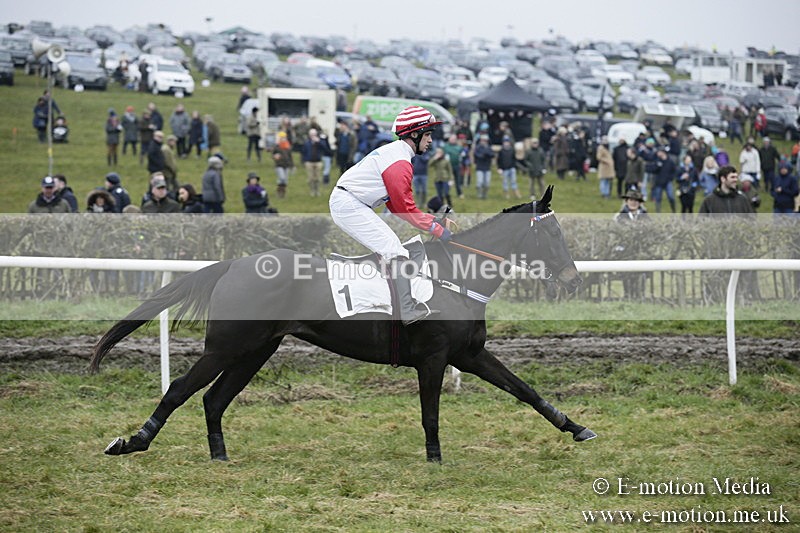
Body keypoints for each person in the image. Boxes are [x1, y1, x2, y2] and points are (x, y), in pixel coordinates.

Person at [329, 106, 452, 326]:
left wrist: (432, 222)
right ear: (414, 134)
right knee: (395, 251)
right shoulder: (399, 163)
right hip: (349, 205)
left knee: (396, 249)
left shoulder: (397, 155)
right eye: (428, 135)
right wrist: (436, 228)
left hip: (352, 202)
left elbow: (397, 207)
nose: (431, 141)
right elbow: (404, 208)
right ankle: (406, 312)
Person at [651, 148, 677, 213]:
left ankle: (673, 210)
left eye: (659, 152)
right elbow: (653, 170)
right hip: (658, 182)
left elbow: (674, 171)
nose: (657, 153)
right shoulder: (657, 161)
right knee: (658, 198)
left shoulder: (670, 161)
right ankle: (658, 212)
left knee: (671, 197)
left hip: (668, 182)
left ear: (663, 152)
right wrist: (657, 166)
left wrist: (671, 178)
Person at [301, 128, 325, 197]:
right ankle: (312, 191)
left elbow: (325, 148)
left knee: (317, 178)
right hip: (309, 162)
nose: (313, 136)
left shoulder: (320, 142)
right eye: (311, 135)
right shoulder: (307, 143)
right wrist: (304, 160)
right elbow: (303, 152)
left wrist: (318, 142)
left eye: (314, 134)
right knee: (310, 178)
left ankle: (317, 191)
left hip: (318, 162)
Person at [272, 131, 294, 198]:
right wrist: (275, 156)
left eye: (284, 137)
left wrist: (292, 165)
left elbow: (290, 156)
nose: (283, 139)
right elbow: (273, 154)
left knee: (285, 180)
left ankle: (283, 193)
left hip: (286, 165)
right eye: (281, 138)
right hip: (279, 165)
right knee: (282, 178)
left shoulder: (288, 146)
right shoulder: (277, 147)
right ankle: (279, 191)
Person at [473, 133, 495, 199]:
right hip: (479, 167)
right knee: (479, 183)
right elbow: (478, 155)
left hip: (487, 167)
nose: (484, 142)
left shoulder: (489, 147)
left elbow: (492, 155)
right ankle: (479, 194)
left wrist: (486, 153)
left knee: (487, 184)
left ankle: (484, 195)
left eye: (485, 140)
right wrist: (485, 154)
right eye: (482, 140)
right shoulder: (477, 147)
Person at [596, 136, 614, 200]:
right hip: (604, 167)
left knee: (607, 181)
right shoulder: (601, 148)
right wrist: (606, 161)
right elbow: (598, 157)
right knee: (603, 181)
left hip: (609, 168)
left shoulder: (608, 147)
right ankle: (603, 193)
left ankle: (607, 193)